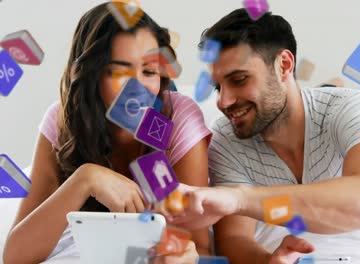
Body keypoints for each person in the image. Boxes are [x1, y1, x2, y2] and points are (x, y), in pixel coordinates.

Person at [157, 8, 360, 264]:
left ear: (284, 65)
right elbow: (235, 241)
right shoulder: (226, 140)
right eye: (218, 87)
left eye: (239, 80)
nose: (223, 101)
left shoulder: (347, 109)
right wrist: (271, 260)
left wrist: (238, 198)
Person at [3, 3, 211, 264]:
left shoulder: (177, 118)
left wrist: (181, 255)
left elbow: (200, 246)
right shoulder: (62, 120)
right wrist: (84, 180)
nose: (138, 89)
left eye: (149, 71)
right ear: (92, 75)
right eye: (119, 72)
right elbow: (14, 257)